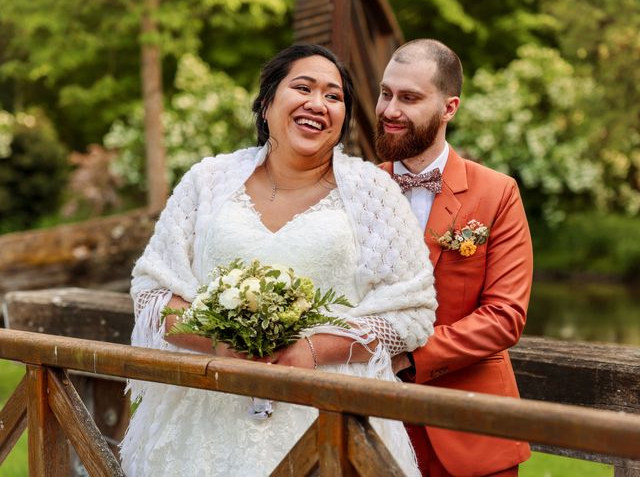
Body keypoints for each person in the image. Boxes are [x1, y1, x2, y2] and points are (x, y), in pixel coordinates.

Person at [120, 44, 437, 476]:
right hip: (206, 417)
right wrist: (220, 343)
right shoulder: (207, 180)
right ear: (267, 103)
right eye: (302, 87)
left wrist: (313, 349)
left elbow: (411, 310)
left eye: (333, 96)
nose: (317, 104)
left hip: (330, 415)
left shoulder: (373, 192)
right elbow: (154, 291)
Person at [376, 39, 534, 477]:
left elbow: (505, 316)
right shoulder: (358, 189)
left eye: (409, 98)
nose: (390, 109)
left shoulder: (497, 193)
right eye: (386, 93)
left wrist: (409, 358)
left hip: (472, 433)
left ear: (449, 108)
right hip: (374, 424)